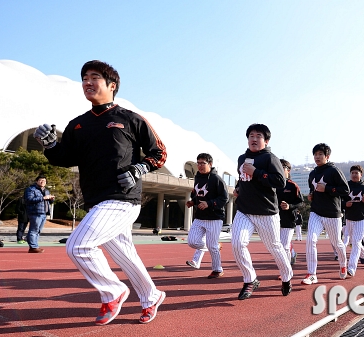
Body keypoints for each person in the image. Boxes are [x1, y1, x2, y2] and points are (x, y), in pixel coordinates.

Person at [34, 60, 167, 325]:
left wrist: (139, 169)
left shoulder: (130, 119)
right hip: (96, 200)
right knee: (126, 257)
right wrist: (49, 146)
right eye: (84, 78)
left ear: (112, 85)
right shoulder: (77, 125)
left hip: (123, 199)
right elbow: (64, 157)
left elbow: (159, 153)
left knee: (78, 246)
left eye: (95, 77)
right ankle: (151, 296)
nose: (87, 82)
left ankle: (114, 291)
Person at [231, 123, 293, 299]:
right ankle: (250, 279)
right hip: (244, 210)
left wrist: (257, 172)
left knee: (274, 247)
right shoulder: (241, 158)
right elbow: (243, 179)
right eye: (251, 135)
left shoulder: (270, 158)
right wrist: (238, 188)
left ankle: (287, 277)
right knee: (237, 243)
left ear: (266, 140)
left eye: (258, 136)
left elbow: (280, 181)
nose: (254, 139)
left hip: (266, 212)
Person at [302, 143, 350, 285]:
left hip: (332, 213)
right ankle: (312, 274)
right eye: (315, 154)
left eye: (320, 154)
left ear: (327, 156)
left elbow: (345, 190)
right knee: (310, 240)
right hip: (316, 212)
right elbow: (313, 189)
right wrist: (311, 195)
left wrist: (328, 188)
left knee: (337, 243)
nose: (317, 157)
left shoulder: (334, 171)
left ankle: (343, 264)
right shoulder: (312, 174)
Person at [185, 153, 229, 279]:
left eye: (202, 163)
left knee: (211, 245)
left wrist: (209, 204)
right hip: (199, 217)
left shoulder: (217, 179)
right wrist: (193, 201)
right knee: (192, 241)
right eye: (198, 163)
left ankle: (217, 269)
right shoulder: (197, 177)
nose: (199, 166)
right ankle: (215, 246)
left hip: (215, 218)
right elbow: (198, 194)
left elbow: (224, 198)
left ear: (210, 164)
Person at [342, 165, 364, 276]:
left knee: (356, 242)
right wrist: (344, 204)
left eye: (357, 173)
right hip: (350, 218)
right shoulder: (345, 186)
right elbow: (338, 201)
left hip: (362, 218)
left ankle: (351, 268)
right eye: (352, 173)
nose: (354, 175)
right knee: (353, 241)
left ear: (361, 175)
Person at [276, 159, 303, 266]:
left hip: (289, 219)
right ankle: (292, 254)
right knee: (278, 244)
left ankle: (285, 270)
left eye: (282, 167)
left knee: (284, 245)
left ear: (288, 170)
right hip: (274, 219)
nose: (279, 169)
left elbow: (300, 202)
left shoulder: (293, 186)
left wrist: (289, 206)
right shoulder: (272, 185)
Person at [24, 175, 54, 253]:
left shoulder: (46, 191)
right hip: (35, 212)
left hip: (44, 212)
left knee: (38, 230)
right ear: (36, 181)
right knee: (34, 229)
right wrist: (43, 198)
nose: (42, 182)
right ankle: (33, 247)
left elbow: (49, 202)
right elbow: (29, 199)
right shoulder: (31, 189)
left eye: (44, 181)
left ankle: (34, 245)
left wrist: (51, 199)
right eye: (41, 180)